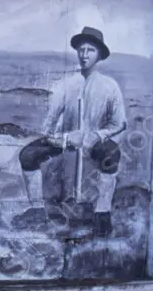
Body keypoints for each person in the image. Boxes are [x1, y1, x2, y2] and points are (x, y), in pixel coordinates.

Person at [17, 26, 126, 237]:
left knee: (112, 154)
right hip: (65, 141)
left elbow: (119, 123)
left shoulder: (109, 86)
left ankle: (102, 214)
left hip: (94, 142)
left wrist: (97, 135)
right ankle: (37, 210)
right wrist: (65, 140)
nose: (84, 55)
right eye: (81, 50)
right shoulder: (65, 85)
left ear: (99, 54)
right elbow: (47, 127)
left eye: (90, 50)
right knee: (28, 155)